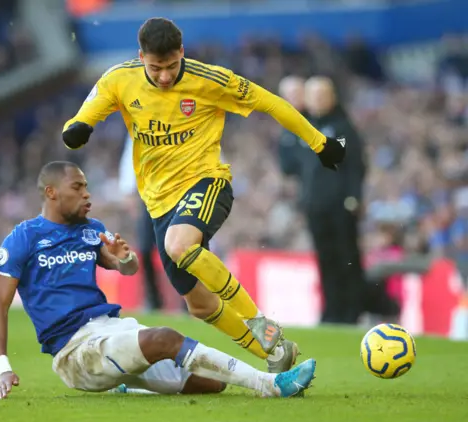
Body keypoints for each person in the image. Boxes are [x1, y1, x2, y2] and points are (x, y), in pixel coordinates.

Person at [62, 17, 346, 372]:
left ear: (182, 52)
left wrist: (320, 143)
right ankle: (276, 356)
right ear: (141, 57)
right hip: (158, 204)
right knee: (199, 305)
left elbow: (270, 102)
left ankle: (258, 320)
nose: (164, 76)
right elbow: (83, 116)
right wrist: (77, 128)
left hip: (206, 182)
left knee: (178, 245)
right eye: (155, 68)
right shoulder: (120, 78)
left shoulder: (210, 80)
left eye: (171, 66)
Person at [0, 161, 317, 399]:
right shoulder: (24, 238)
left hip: (112, 329)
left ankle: (127, 384)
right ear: (51, 192)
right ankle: (271, 385)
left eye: (87, 186)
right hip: (75, 351)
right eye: (78, 187)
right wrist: (2, 367)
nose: (88, 195)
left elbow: (127, 269)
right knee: (165, 338)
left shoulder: (89, 230)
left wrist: (124, 257)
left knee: (212, 384)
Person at [303, 76, 366, 324]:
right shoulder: (302, 126)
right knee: (325, 259)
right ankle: (331, 311)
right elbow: (294, 166)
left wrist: (353, 197)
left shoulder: (342, 126)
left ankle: (352, 311)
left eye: (322, 95)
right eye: (314, 95)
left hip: (340, 204)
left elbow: (355, 164)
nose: (318, 100)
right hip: (315, 206)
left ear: (332, 97)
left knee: (347, 257)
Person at [119, 133, 163, 311]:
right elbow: (132, 153)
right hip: (148, 195)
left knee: (178, 249)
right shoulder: (140, 118)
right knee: (144, 248)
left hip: (176, 192)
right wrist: (129, 190)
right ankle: (153, 300)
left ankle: (188, 301)